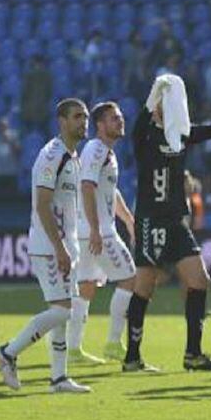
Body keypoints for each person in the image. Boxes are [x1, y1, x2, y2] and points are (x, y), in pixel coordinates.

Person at [123, 75, 211, 373]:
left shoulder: (182, 135)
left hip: (176, 221)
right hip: (151, 220)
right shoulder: (145, 135)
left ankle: (193, 354)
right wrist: (153, 96)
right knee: (145, 287)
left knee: (200, 281)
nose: (167, 105)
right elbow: (136, 126)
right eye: (163, 101)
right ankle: (132, 358)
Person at [0, 99, 92, 394]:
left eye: (85, 117)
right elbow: (43, 204)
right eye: (77, 117)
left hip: (65, 245)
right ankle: (8, 352)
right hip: (49, 246)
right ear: (61, 121)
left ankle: (59, 378)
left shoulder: (73, 157)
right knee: (63, 311)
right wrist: (60, 248)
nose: (83, 122)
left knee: (62, 310)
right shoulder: (52, 155)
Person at [71, 101, 138, 366]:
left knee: (86, 287)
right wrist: (97, 229)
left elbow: (110, 191)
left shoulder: (105, 152)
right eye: (113, 119)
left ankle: (74, 350)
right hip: (99, 232)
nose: (119, 122)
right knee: (129, 279)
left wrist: (128, 219)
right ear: (100, 125)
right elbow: (86, 187)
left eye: (120, 118)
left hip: (87, 231)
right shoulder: (97, 149)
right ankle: (113, 343)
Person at [20, 56, 52, 134]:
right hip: (35, 110)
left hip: (38, 109)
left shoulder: (45, 76)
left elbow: (48, 93)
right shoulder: (45, 76)